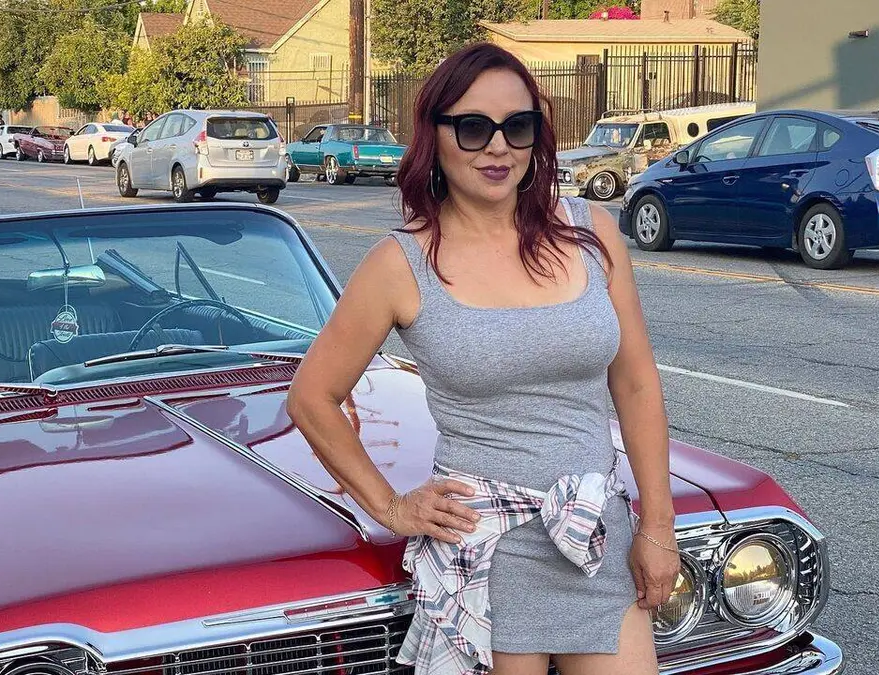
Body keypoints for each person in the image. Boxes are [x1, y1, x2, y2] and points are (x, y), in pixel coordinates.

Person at [286, 42, 678, 675]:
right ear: (435, 135)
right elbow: (311, 397)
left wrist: (658, 524)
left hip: (593, 535)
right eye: (473, 128)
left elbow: (635, 384)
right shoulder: (401, 263)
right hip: (482, 551)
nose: (498, 147)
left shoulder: (593, 233)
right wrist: (391, 507)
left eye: (517, 126)